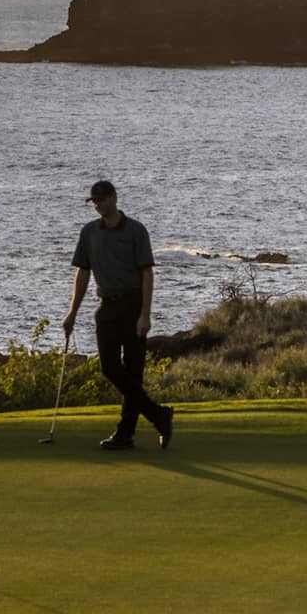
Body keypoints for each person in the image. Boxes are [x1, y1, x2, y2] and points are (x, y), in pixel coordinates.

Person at [63, 180, 174, 451]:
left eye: (102, 199)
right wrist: (72, 313)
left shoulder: (136, 230)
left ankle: (125, 434)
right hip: (107, 307)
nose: (98, 205)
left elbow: (147, 274)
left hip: (133, 306)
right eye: (94, 201)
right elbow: (83, 272)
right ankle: (159, 414)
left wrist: (145, 315)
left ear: (114, 198)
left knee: (133, 373)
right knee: (109, 368)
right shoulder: (89, 232)